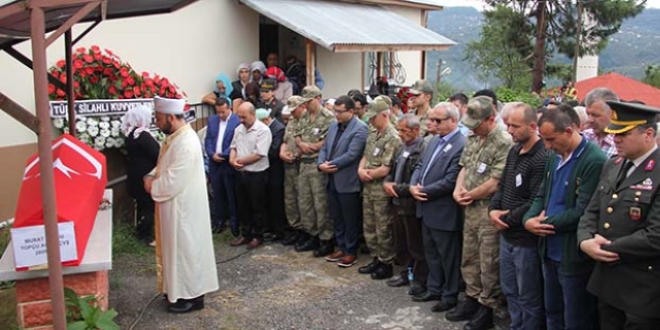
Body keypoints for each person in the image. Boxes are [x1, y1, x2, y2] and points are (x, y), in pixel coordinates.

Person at [578, 101, 660, 330]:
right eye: (615, 133)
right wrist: (584, 241)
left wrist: (606, 247)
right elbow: (592, 210)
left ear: (649, 133)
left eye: (624, 133)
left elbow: (655, 235)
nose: (616, 139)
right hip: (608, 281)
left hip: (643, 287)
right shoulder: (614, 165)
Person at [523, 104, 607, 330]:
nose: (547, 146)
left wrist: (543, 223)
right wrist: (529, 219)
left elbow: (583, 210)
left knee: (576, 317)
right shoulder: (554, 156)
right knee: (553, 310)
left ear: (569, 131)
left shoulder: (593, 160)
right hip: (549, 249)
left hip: (572, 254)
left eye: (551, 139)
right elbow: (543, 193)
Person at [144, 96, 218, 313]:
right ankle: (175, 290)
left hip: (184, 210)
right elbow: (162, 167)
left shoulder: (186, 142)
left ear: (170, 117)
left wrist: (151, 186)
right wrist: (151, 175)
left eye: (158, 118)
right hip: (173, 208)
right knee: (175, 251)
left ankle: (193, 298)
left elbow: (173, 180)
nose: (156, 123)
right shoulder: (174, 137)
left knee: (187, 252)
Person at [448, 96, 513, 330]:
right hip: (470, 208)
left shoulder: (504, 142)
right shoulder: (473, 137)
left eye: (477, 123)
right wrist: (458, 190)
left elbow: (497, 180)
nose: (472, 128)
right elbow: (464, 167)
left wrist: (471, 194)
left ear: (490, 119)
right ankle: (472, 298)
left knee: (488, 262)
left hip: (487, 210)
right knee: (470, 257)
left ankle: (488, 307)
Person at [489, 103, 548, 330]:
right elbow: (503, 185)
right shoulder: (514, 151)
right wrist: (493, 209)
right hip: (507, 235)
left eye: (515, 126)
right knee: (510, 289)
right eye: (507, 125)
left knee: (529, 295)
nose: (510, 130)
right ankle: (516, 325)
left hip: (525, 239)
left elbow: (535, 200)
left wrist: (507, 218)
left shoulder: (541, 156)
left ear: (533, 126)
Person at [409, 103, 466, 312]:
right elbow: (420, 166)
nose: (432, 124)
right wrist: (413, 186)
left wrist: (423, 191)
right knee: (431, 252)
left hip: (443, 210)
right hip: (426, 207)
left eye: (437, 121)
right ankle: (434, 288)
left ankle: (449, 295)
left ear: (453, 120)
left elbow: (451, 180)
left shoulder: (461, 143)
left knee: (448, 257)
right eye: (431, 120)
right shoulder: (433, 140)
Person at [318, 95, 368, 268]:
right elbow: (325, 147)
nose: (336, 115)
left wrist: (330, 165)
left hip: (348, 179)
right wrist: (321, 164)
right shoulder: (333, 126)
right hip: (331, 178)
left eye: (340, 112)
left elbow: (352, 154)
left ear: (351, 111)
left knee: (350, 218)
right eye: (335, 111)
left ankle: (351, 251)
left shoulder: (360, 129)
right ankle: (341, 246)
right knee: (337, 216)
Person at [357, 98, 403, 280]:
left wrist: (368, 173)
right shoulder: (373, 133)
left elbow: (386, 168)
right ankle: (375, 257)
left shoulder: (393, 137)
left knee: (383, 227)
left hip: (380, 189)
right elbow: (365, 156)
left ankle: (386, 262)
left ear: (384, 115)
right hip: (368, 187)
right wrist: (361, 170)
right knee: (369, 225)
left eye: (374, 117)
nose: (371, 121)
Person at [383, 113, 427, 293]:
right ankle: (405, 272)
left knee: (414, 244)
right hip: (397, 202)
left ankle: (418, 278)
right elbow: (392, 169)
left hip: (410, 204)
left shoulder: (423, 149)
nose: (400, 134)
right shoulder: (402, 147)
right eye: (399, 130)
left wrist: (398, 188)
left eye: (404, 130)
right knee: (400, 242)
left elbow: (415, 182)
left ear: (416, 130)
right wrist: (386, 183)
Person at [294, 86, 336, 256]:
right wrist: (301, 144)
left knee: (321, 204)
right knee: (305, 202)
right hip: (304, 163)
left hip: (318, 165)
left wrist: (312, 146)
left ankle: (326, 238)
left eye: (309, 101)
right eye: (304, 101)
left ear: (318, 98)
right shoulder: (304, 115)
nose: (307, 104)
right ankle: (311, 234)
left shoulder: (328, 117)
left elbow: (328, 140)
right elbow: (297, 134)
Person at [228, 102, 272, 249]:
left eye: (244, 117)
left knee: (257, 206)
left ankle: (258, 236)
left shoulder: (263, 130)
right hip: (241, 173)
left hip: (257, 174)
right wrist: (232, 159)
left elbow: (259, 154)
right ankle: (246, 233)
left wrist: (239, 161)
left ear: (253, 115)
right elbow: (233, 146)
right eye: (239, 116)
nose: (241, 120)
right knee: (243, 206)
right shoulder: (239, 129)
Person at [121, 105, 160, 245]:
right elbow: (157, 154)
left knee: (142, 204)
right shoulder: (143, 135)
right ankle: (146, 236)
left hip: (134, 174)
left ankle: (141, 231)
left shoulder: (131, 134)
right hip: (144, 175)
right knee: (148, 205)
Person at [204, 97, 241, 236]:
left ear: (229, 108)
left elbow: (236, 142)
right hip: (214, 162)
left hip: (228, 162)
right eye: (218, 112)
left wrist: (225, 155)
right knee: (217, 192)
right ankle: (219, 222)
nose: (220, 115)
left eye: (223, 112)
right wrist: (212, 154)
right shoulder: (212, 120)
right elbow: (208, 139)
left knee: (231, 194)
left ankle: (234, 223)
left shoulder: (236, 121)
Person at [280, 96, 307, 246]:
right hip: (289, 165)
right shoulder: (291, 122)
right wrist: (282, 153)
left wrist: (297, 155)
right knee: (290, 199)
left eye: (294, 110)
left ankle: (305, 229)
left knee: (302, 198)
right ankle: (295, 227)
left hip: (301, 165)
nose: (292, 113)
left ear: (302, 107)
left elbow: (308, 143)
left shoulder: (307, 121)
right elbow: (285, 141)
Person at [256, 108, 287, 242]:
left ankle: (279, 230)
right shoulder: (266, 128)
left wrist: (257, 153)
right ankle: (270, 228)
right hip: (266, 171)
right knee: (267, 201)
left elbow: (274, 151)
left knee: (276, 202)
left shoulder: (278, 129)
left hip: (275, 171)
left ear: (265, 120)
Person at [583, 87, 619, 158]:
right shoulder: (584, 137)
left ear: (612, 113)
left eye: (595, 115)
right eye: (588, 114)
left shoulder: (621, 144)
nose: (589, 120)